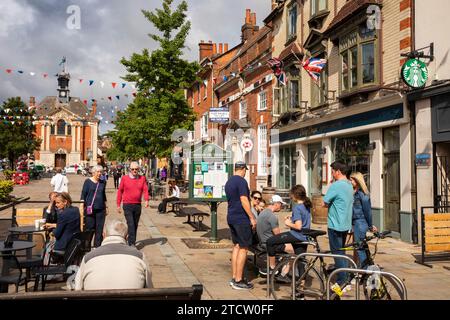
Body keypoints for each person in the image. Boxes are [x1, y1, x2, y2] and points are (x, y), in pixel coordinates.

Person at [74, 219, 152, 290]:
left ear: (103, 235)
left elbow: (78, 288)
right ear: (127, 237)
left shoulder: (88, 258)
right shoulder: (140, 257)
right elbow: (149, 288)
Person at [265, 185, 311, 282]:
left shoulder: (297, 208)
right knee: (301, 263)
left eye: (291, 195)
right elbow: (303, 222)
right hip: (304, 237)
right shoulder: (306, 206)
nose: (290, 197)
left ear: (295, 195)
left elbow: (298, 226)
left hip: (296, 235)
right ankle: (300, 293)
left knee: (270, 241)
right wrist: (292, 219)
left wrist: (288, 223)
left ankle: (272, 268)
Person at [224, 161, 256, 290]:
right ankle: (238, 280)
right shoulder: (242, 182)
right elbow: (244, 199)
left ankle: (234, 277)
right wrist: (251, 217)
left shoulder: (229, 181)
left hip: (231, 216)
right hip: (241, 218)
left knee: (236, 246)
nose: (245, 173)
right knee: (244, 248)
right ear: (242, 169)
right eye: (245, 170)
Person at [323, 161, 353, 287]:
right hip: (345, 224)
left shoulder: (336, 185)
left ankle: (342, 280)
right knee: (342, 252)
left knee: (337, 253)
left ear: (338, 172)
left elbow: (324, 203)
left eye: (332, 172)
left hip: (335, 224)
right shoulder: (349, 185)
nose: (332, 174)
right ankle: (345, 276)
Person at [256, 194, 294, 276]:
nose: (281, 206)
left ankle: (280, 267)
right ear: (276, 204)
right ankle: (283, 274)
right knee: (292, 250)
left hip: (262, 241)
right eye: (281, 204)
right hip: (268, 244)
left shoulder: (263, 213)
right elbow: (278, 235)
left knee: (288, 245)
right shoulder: (272, 216)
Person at [117, 162, 149, 246]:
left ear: (138, 169)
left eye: (136, 169)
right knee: (131, 224)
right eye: (133, 169)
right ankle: (131, 244)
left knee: (135, 225)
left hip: (137, 205)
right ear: (130, 169)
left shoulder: (142, 178)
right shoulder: (124, 178)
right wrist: (118, 205)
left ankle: (130, 239)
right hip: (127, 205)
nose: (134, 171)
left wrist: (146, 200)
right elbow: (120, 191)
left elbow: (145, 190)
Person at [350, 172, 378, 267]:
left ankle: (366, 271)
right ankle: (363, 269)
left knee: (360, 248)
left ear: (357, 181)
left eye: (352, 180)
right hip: (356, 223)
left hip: (360, 223)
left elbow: (368, 211)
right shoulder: (354, 193)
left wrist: (370, 226)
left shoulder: (362, 194)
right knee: (360, 247)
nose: (350, 181)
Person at [81, 165, 108, 248]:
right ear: (93, 172)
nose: (100, 174)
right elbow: (83, 195)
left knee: (99, 230)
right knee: (89, 228)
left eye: (101, 172)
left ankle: (97, 247)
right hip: (90, 209)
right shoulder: (87, 182)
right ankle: (87, 247)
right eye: (98, 172)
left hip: (101, 209)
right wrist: (81, 206)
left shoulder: (103, 182)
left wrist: (106, 207)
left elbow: (103, 195)